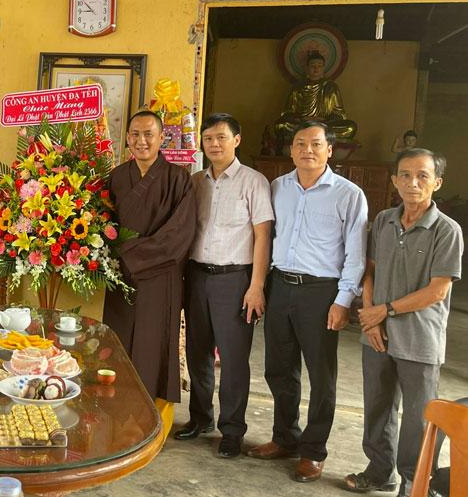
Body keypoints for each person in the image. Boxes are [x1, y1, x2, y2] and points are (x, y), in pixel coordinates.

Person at [247, 120, 368, 483]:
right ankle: (285, 438)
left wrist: (343, 300)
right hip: (281, 286)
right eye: (300, 143)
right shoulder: (278, 187)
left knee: (321, 375)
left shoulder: (349, 194)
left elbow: (356, 254)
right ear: (291, 150)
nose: (308, 150)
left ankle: (313, 451)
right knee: (279, 368)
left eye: (316, 144)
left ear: (330, 150)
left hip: (321, 292)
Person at [344, 148, 462, 496]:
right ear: (394, 180)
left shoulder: (447, 230)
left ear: (437, 183)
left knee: (418, 416)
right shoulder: (383, 220)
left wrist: (383, 311)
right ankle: (380, 471)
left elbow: (437, 291)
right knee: (377, 407)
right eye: (406, 175)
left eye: (423, 176)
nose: (413, 183)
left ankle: (415, 481)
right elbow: (369, 270)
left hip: (419, 339)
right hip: (377, 335)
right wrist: (370, 317)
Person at [175, 113, 274, 459]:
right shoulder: (195, 182)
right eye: (208, 139)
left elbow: (263, 236)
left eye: (221, 137)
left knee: (233, 360)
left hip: (235, 280)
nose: (214, 144)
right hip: (197, 276)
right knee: (197, 352)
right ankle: (200, 418)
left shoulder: (254, 182)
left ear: (237, 140)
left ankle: (232, 430)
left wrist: (256, 286)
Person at [102, 110, 196, 435]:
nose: (141, 141)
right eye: (135, 134)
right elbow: (102, 225)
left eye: (148, 134)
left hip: (159, 276)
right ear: (127, 138)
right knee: (118, 341)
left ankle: (150, 421)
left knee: (153, 345)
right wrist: (110, 255)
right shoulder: (117, 177)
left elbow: (180, 234)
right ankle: (114, 413)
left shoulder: (179, 179)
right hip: (119, 277)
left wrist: (130, 254)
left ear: (161, 138)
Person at [274, 51, 357, 147]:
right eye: (313, 66)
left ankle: (313, 135)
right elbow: (287, 113)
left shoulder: (331, 87)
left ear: (324, 68)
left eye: (319, 66)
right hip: (302, 124)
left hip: (324, 124)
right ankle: (315, 135)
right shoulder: (297, 87)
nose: (316, 69)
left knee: (350, 127)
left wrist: (323, 120)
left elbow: (339, 114)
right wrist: (301, 119)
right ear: (307, 68)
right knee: (281, 125)